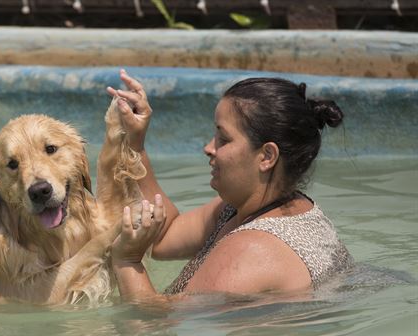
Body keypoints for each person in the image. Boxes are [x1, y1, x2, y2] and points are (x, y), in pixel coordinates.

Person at [106, 69, 354, 303]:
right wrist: (135, 144)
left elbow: (158, 331)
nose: (209, 148)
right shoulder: (263, 208)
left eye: (223, 139)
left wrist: (127, 261)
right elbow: (164, 238)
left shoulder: (251, 250)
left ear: (267, 156)